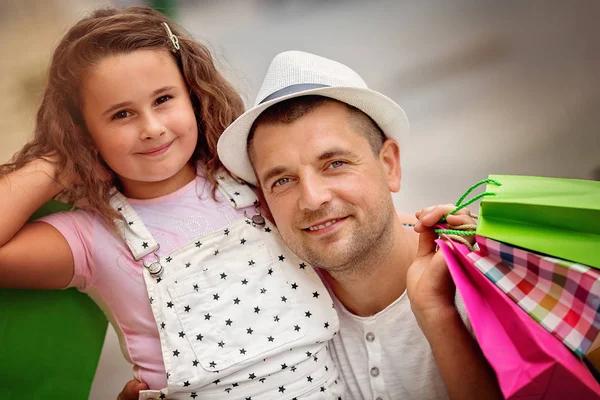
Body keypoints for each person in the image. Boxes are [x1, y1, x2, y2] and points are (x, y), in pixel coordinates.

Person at [0, 10, 345, 400]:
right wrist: (59, 162)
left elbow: (357, 225)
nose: (151, 128)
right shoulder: (91, 236)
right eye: (122, 114)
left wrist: (428, 233)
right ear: (85, 131)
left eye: (163, 99)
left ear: (193, 96)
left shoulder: (254, 180)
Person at [121, 51, 502, 399]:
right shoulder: (269, 317)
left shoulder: (485, 288)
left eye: (334, 163)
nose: (313, 198)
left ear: (389, 165)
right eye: (282, 180)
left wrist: (437, 314)